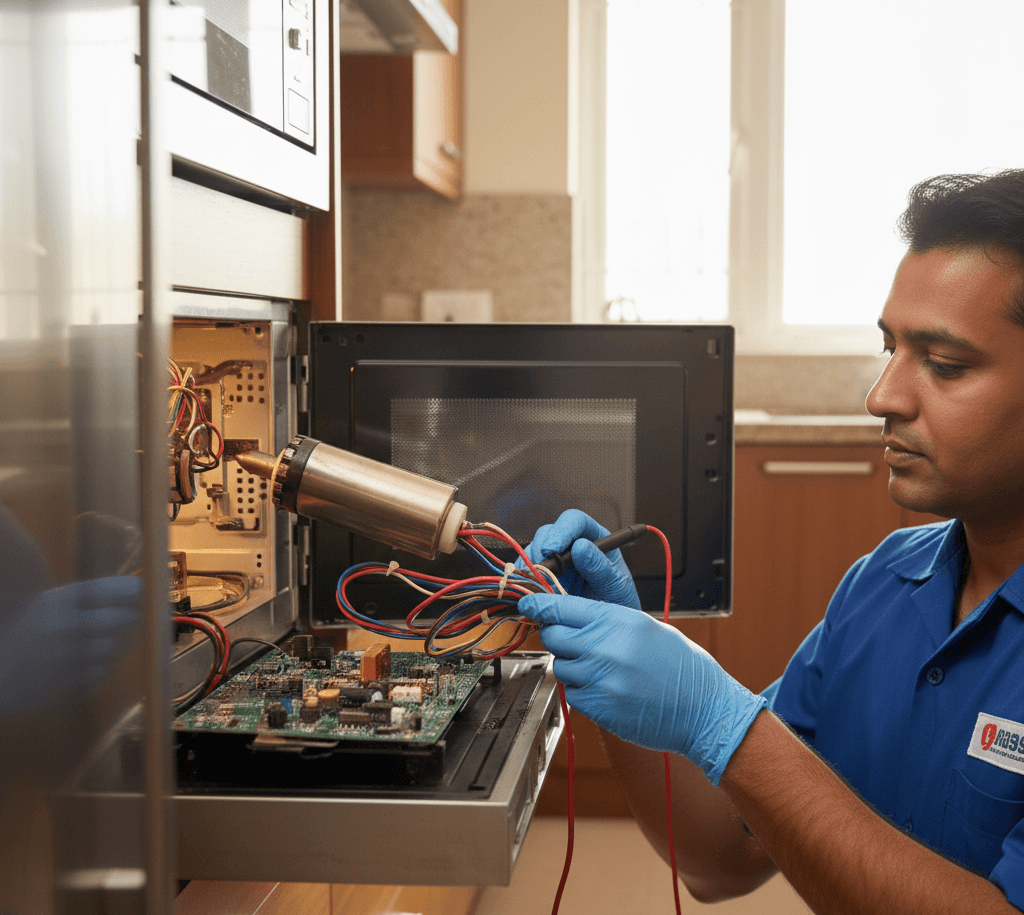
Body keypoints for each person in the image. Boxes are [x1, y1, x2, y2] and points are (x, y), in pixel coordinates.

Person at [517, 170, 1024, 914]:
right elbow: (722, 856)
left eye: (944, 365)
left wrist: (727, 722)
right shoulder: (883, 584)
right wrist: (624, 664)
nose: (883, 395)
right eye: (890, 349)